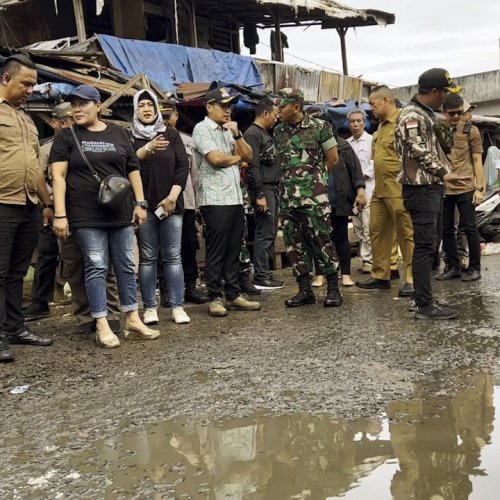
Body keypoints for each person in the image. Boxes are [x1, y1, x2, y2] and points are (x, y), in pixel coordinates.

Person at [51, 84, 159, 347]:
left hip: (120, 213)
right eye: (74, 104)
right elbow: (58, 176)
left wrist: (140, 203)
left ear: (98, 106)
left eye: (83, 103)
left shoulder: (118, 133)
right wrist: (60, 215)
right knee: (97, 266)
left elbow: (133, 169)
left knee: (124, 265)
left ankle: (132, 318)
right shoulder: (66, 137)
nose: (77, 109)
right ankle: (101, 323)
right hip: (85, 216)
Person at [394, 68, 472, 320]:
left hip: (430, 188)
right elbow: (414, 146)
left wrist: (445, 122)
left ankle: (423, 300)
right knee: (425, 247)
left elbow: (448, 146)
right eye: (446, 92)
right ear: (435, 91)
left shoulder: (429, 114)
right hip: (420, 189)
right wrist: (442, 172)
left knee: (430, 245)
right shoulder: (411, 115)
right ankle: (424, 305)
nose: (447, 98)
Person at [0, 54, 54, 363]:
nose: (31, 90)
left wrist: (46, 203)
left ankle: (16, 328)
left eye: (33, 85)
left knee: (18, 271)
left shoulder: (25, 118)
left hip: (27, 204)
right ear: (6, 79)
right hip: (2, 202)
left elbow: (34, 167)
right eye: (26, 84)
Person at [191, 87, 260, 317]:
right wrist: (238, 159)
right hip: (214, 199)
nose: (227, 110)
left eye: (230, 106)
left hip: (234, 198)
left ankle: (233, 293)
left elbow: (250, 156)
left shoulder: (229, 130)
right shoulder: (202, 129)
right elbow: (216, 159)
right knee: (217, 250)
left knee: (233, 248)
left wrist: (238, 136)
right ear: (209, 107)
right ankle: (214, 296)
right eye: (223, 106)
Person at [273, 87, 342, 308]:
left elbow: (333, 159)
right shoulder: (278, 131)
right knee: (294, 245)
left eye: (281, 106)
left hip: (314, 199)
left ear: (296, 107)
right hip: (288, 199)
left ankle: (333, 290)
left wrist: (315, 182)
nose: (277, 110)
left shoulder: (320, 127)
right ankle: (305, 290)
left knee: (322, 240)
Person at [132, 90, 190, 325]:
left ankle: (177, 306)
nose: (146, 109)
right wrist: (148, 148)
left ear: (156, 109)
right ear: (135, 110)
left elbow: (182, 167)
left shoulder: (171, 134)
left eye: (150, 105)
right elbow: (130, 163)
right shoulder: (130, 137)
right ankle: (150, 308)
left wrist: (172, 197)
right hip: (144, 207)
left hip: (171, 205)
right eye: (141, 105)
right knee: (147, 258)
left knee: (173, 256)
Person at [356, 86, 414, 298]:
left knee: (406, 234)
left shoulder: (403, 122)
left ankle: (411, 278)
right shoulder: (380, 128)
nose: (371, 108)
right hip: (380, 190)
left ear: (387, 100)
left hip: (398, 189)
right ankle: (381, 276)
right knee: (377, 231)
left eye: (374, 104)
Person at [23, 103, 74, 321]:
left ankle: (84, 305)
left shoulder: (81, 144)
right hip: (51, 209)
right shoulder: (45, 149)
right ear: (55, 123)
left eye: (70, 120)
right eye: (64, 121)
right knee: (46, 254)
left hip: (77, 208)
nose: (68, 124)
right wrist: (47, 206)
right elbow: (39, 179)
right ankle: (40, 302)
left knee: (76, 257)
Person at [160, 102, 207, 304]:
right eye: (160, 116)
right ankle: (165, 291)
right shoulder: (150, 141)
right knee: (163, 248)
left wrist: (197, 205)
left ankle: (190, 287)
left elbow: (195, 176)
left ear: (176, 116)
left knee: (188, 247)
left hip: (185, 202)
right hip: (160, 203)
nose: (164, 119)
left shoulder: (188, 142)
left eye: (168, 115)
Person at [437, 94, 485, 282]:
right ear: (444, 113)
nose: (456, 117)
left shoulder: (471, 131)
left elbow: (477, 160)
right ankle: (453, 267)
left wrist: (480, 188)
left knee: (470, 228)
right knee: (447, 229)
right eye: (452, 114)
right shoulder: (438, 131)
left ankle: (475, 267)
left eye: (459, 113)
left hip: (466, 187)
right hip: (445, 188)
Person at [244, 97, 284, 290]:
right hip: (263, 188)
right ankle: (261, 276)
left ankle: (265, 273)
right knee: (264, 232)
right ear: (265, 113)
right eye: (275, 115)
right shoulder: (252, 134)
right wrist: (259, 194)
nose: (276, 119)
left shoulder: (264, 133)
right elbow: (252, 166)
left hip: (271, 187)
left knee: (270, 231)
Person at [328, 130, 367, 287]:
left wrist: (360, 191)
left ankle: (345, 274)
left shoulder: (343, 145)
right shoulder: (311, 146)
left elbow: (355, 170)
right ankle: (321, 275)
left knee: (341, 237)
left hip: (340, 199)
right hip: (318, 200)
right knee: (320, 239)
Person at [347, 108, 374, 274]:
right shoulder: (347, 143)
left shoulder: (372, 140)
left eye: (359, 121)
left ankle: (368, 261)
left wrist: (359, 178)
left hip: (369, 189)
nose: (356, 124)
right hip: (353, 191)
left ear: (364, 122)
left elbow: (375, 163)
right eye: (352, 121)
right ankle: (366, 257)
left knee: (368, 227)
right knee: (357, 226)